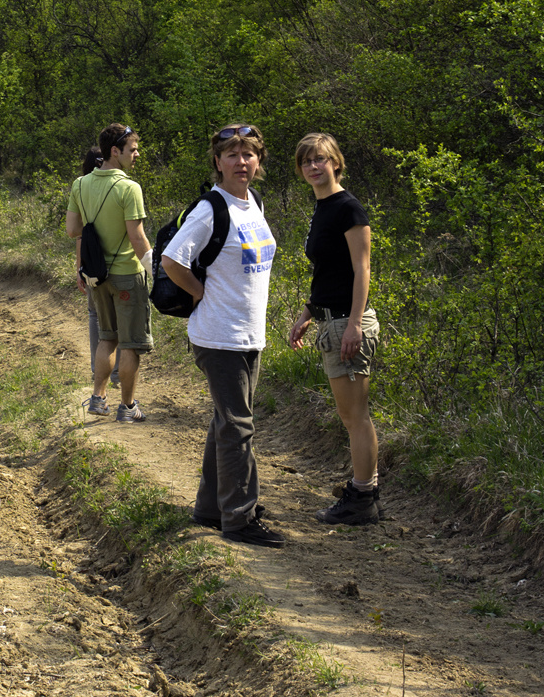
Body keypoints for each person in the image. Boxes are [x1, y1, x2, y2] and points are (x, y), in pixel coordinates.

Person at [161, 123, 283, 548]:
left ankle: (211, 507)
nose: (241, 162)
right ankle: (240, 517)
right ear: (217, 162)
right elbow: (173, 258)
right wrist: (199, 293)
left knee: (226, 423)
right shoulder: (212, 208)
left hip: (249, 334)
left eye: (248, 154)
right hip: (218, 335)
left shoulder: (253, 204)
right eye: (231, 154)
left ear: (259, 161)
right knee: (238, 426)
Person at [288, 133, 381, 525]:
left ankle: (363, 497)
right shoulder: (322, 207)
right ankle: (364, 492)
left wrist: (355, 325)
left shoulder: (347, 207)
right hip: (330, 319)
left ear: (336, 163)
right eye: (307, 161)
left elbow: (362, 270)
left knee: (355, 415)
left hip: (348, 321)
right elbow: (330, 270)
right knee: (349, 415)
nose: (313, 167)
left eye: (320, 159)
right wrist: (307, 311)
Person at [66, 123, 153, 422]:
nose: (137, 154)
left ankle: (98, 398)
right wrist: (157, 269)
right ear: (115, 152)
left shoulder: (80, 184)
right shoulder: (129, 188)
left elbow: (72, 230)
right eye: (133, 149)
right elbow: (137, 237)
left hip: (98, 277)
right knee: (130, 343)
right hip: (128, 274)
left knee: (107, 338)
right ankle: (128, 408)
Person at [77, 146, 120, 393]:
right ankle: (117, 371)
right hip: (118, 262)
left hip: (92, 263)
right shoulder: (118, 186)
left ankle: (98, 368)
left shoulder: (82, 187)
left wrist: (79, 268)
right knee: (120, 318)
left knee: (95, 315)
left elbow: (80, 234)